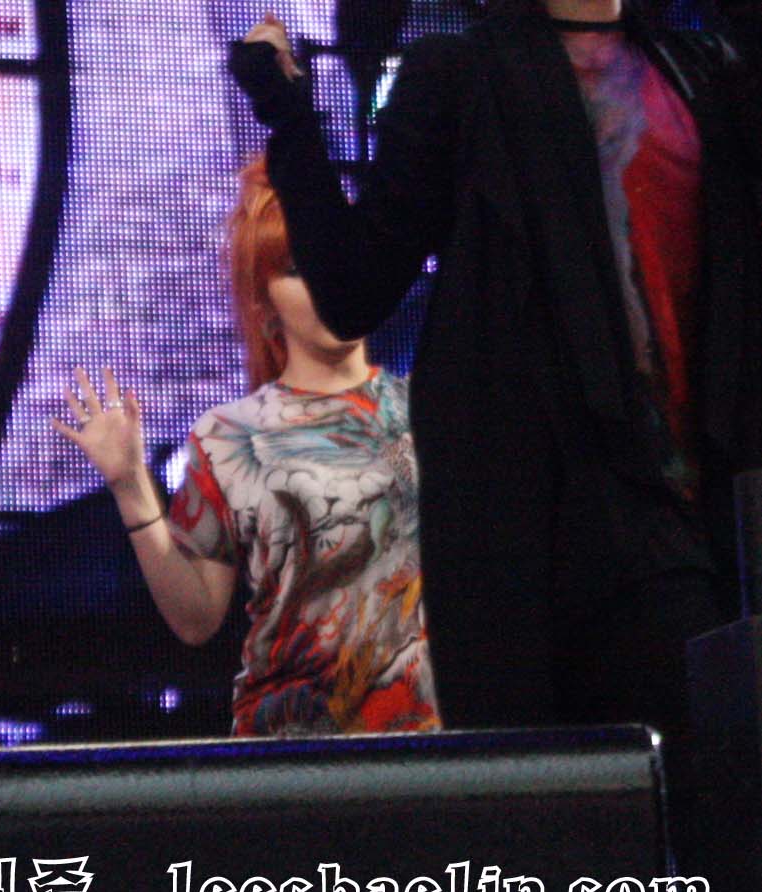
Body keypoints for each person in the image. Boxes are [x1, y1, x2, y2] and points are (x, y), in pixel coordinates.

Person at [232, 0, 762, 736]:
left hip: (677, 519)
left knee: (692, 766)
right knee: (539, 792)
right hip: (519, 539)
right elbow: (355, 288)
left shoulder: (703, 73)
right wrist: (289, 113)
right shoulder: (461, 74)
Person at [54, 160, 439, 736]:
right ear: (265, 311)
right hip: (288, 750)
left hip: (423, 748)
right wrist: (130, 485)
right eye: (299, 268)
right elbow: (196, 618)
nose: (329, 278)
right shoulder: (230, 437)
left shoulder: (430, 411)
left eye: (340, 254)